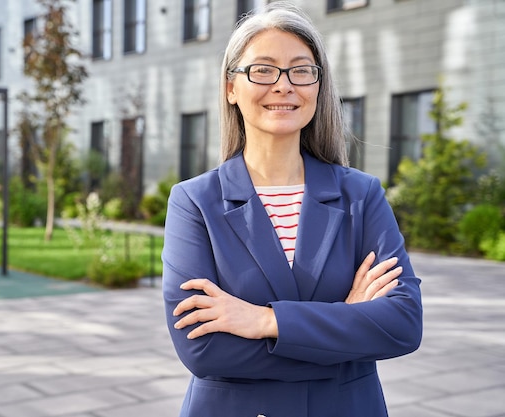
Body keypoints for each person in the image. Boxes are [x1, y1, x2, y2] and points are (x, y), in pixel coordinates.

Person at [161, 2, 423, 416]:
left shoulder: (361, 195)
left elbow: (403, 323)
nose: (284, 85)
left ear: (318, 86)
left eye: (301, 70)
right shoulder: (195, 201)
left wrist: (265, 322)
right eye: (262, 70)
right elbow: (204, 348)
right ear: (231, 87)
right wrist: (345, 325)